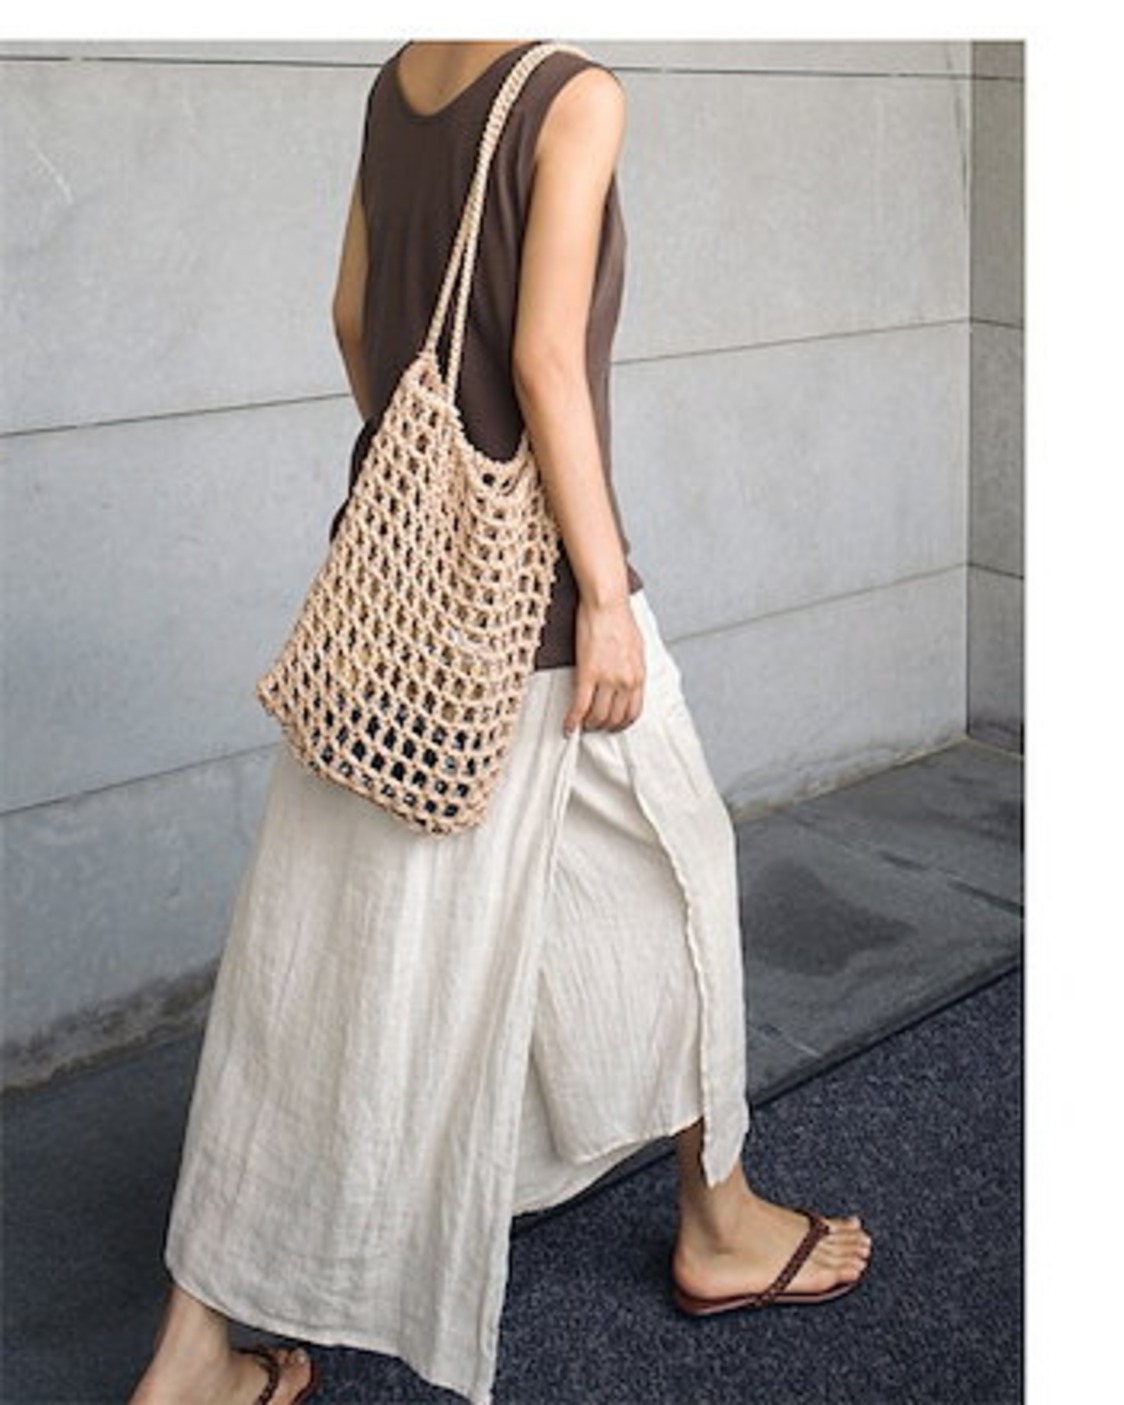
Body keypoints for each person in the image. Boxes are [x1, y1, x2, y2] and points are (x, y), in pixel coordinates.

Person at [129, 40, 871, 1405]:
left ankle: (190, 1353)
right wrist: (604, 593)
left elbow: (350, 316)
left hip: (393, 598)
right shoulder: (573, 96)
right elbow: (543, 357)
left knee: (313, 973)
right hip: (536, 609)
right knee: (687, 873)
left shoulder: (398, 82)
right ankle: (716, 1226)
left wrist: (424, 503)